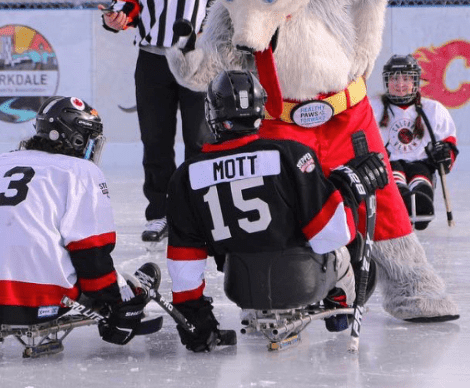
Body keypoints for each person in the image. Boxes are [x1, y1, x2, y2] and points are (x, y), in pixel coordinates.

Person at [165, 70, 388, 352]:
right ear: (261, 110)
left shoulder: (185, 176)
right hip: (299, 283)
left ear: (211, 113)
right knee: (351, 244)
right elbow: (331, 234)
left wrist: (195, 322)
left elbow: (184, 261)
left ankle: (256, 310)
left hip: (241, 287)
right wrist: (348, 188)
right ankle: (340, 310)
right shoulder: (291, 154)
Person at [0, 96, 155, 346]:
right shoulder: (81, 171)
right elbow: (91, 252)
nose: (91, 145)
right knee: (113, 279)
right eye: (88, 137)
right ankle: (131, 290)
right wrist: (115, 302)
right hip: (47, 296)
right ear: (74, 137)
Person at [99, 0, 212, 242]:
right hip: (152, 60)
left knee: (199, 140)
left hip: (196, 60)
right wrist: (115, 20)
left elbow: (223, 1)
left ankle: (200, 213)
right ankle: (159, 213)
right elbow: (125, 4)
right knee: (156, 141)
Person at [371, 54, 459, 229]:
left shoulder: (433, 109)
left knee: (420, 178)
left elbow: (449, 141)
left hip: (421, 163)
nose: (400, 84)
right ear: (387, 81)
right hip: (389, 165)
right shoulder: (373, 107)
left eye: (406, 78)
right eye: (395, 78)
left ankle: (421, 202)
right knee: (395, 179)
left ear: (415, 82)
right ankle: (398, 200)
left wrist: (444, 154)